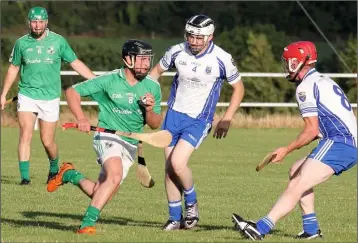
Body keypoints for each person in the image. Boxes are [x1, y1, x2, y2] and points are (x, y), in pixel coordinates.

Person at [232, 41, 357, 240]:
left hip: (340, 143)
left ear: (300, 62)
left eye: (289, 62)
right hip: (341, 142)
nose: (286, 67)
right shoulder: (322, 80)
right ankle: (311, 229)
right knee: (296, 171)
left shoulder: (305, 87)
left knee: (297, 184)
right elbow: (318, 130)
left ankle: (260, 228)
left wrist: (286, 149)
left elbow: (311, 130)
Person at [47, 39, 162, 235]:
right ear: (128, 59)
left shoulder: (153, 87)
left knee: (100, 193)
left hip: (131, 142)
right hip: (106, 135)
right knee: (114, 176)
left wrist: (150, 110)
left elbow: (155, 123)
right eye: (141, 59)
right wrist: (81, 118)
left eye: (148, 60)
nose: (146, 64)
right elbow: (72, 92)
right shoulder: (109, 80)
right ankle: (86, 225)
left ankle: (69, 174)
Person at [149, 14, 245, 230]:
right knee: (169, 169)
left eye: (199, 38)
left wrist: (227, 118)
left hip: (199, 120)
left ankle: (192, 204)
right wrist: (145, 97)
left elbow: (239, 88)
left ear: (210, 37)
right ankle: (175, 217)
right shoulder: (176, 51)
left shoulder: (222, 58)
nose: (193, 41)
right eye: (190, 36)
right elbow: (155, 73)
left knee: (178, 163)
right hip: (173, 116)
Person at [0, 6, 96, 185]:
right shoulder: (22, 43)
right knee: (25, 134)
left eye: (40, 22)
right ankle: (25, 178)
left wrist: (95, 80)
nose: (37, 25)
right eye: (34, 21)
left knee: (47, 141)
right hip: (27, 94)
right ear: (29, 22)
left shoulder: (58, 42)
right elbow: (13, 68)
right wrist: (3, 93)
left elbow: (75, 63)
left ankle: (53, 168)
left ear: (46, 22)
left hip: (50, 97)